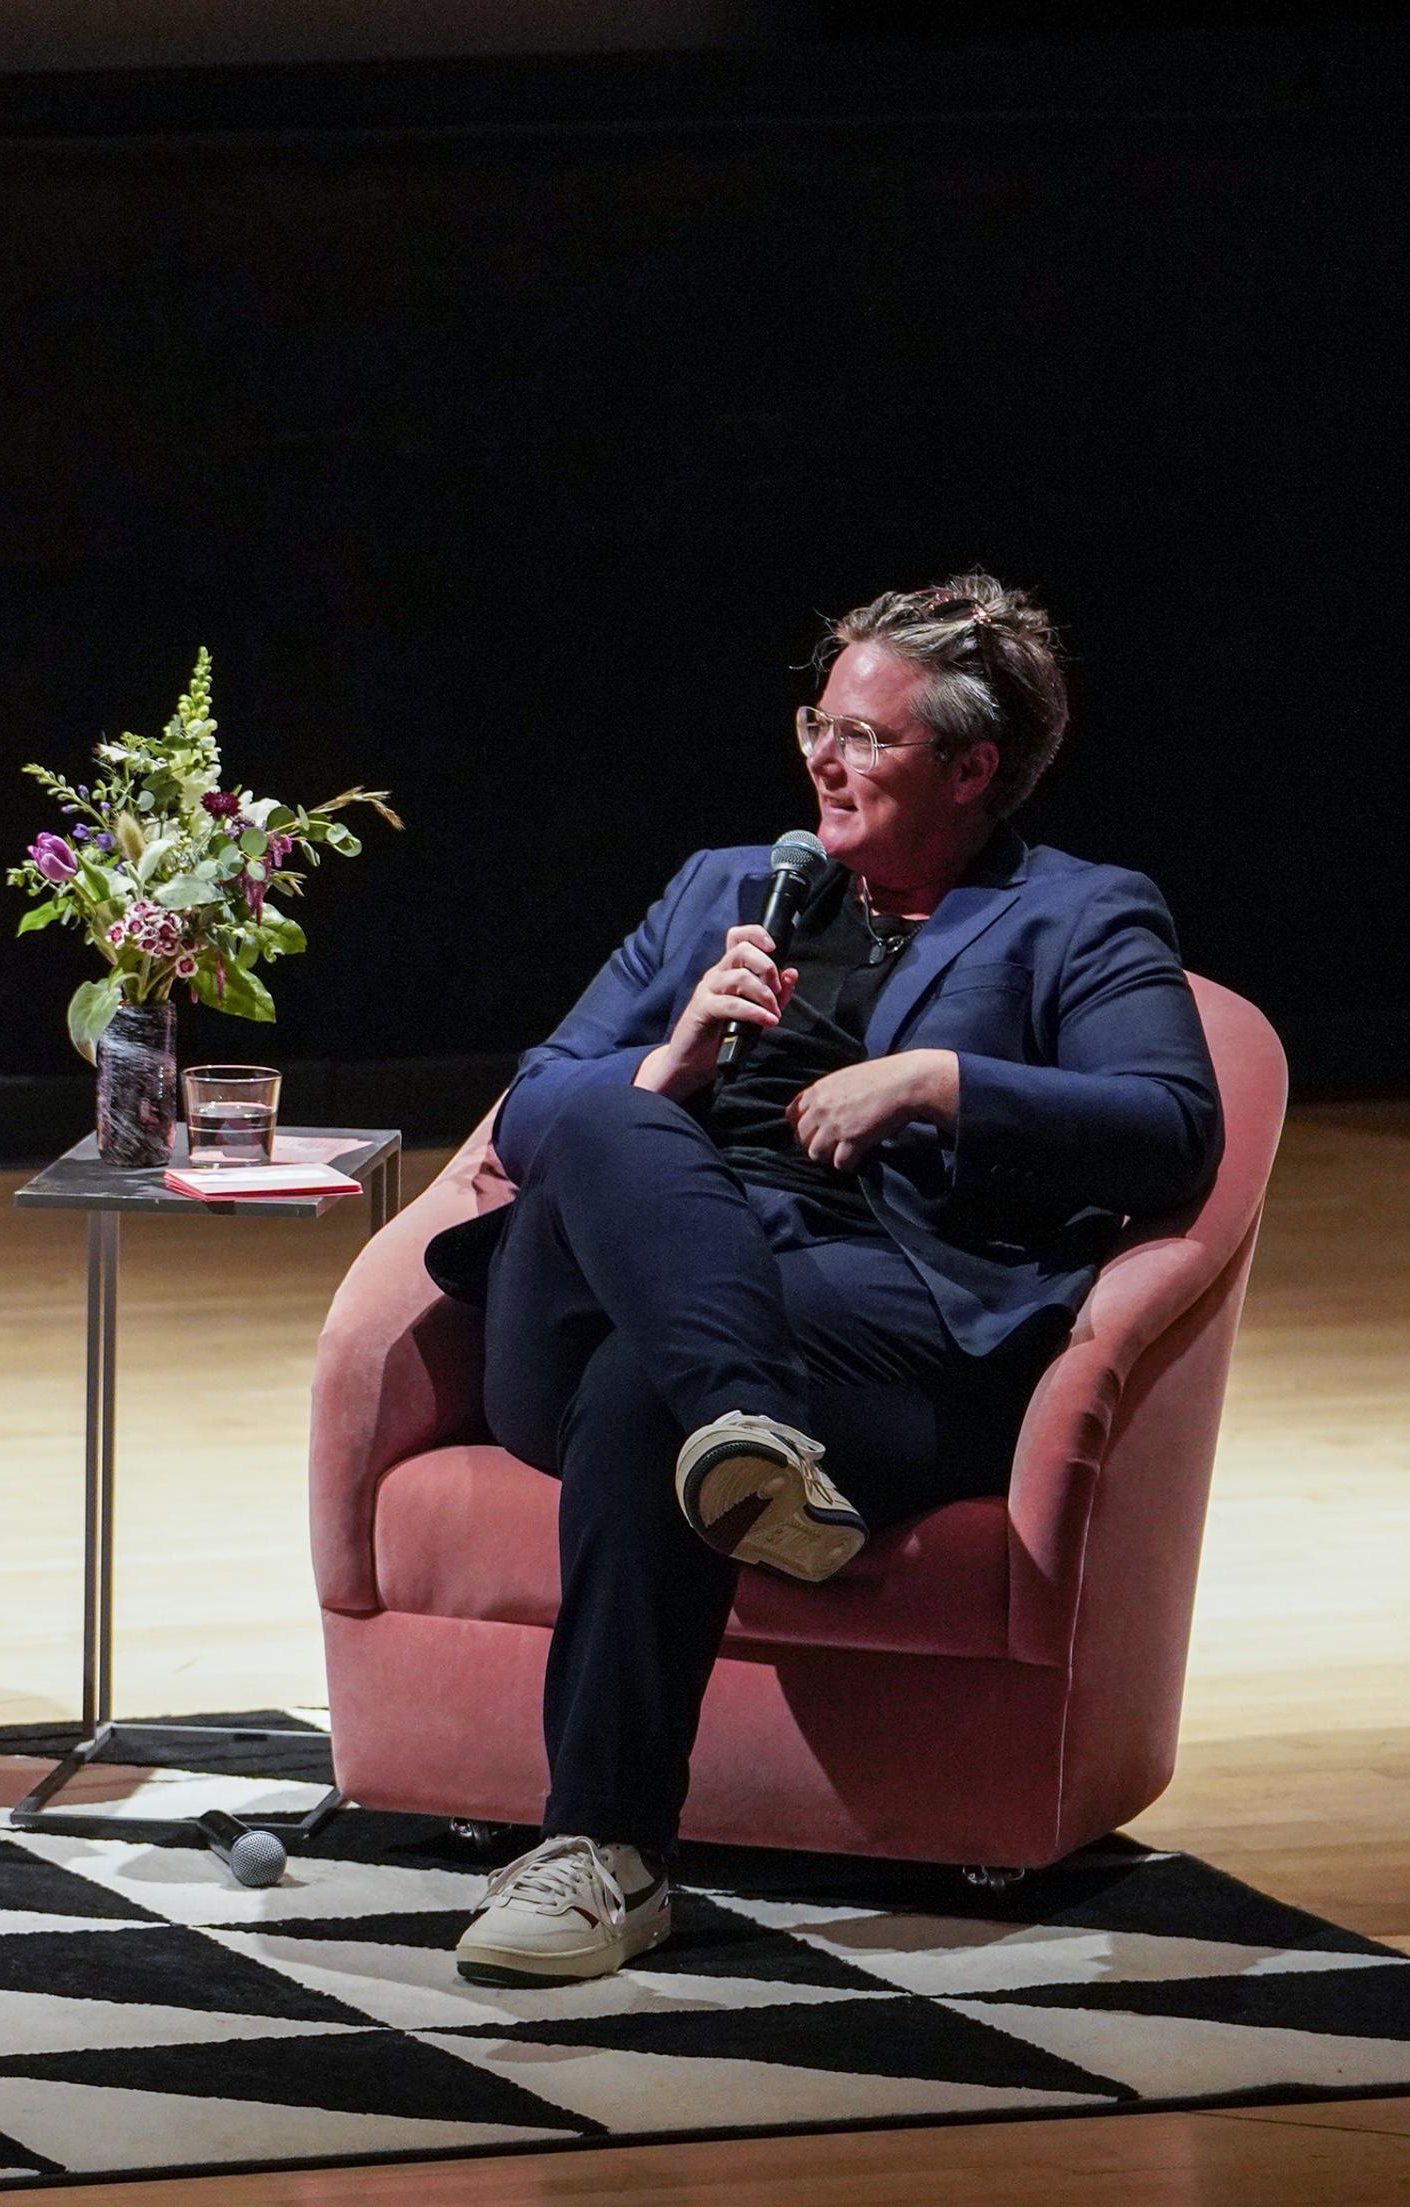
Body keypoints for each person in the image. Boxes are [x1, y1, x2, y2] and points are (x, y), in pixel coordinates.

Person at [429, 575, 1221, 1986]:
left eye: (866, 737)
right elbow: (533, 1106)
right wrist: (674, 1064)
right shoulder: (722, 887)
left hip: (881, 1348)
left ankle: (600, 1853)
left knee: (644, 1390)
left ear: (975, 769)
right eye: (818, 724)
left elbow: (1173, 1127)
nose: (822, 759)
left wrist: (941, 1081)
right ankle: (746, 1428)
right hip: (617, 1289)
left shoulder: (1079, 916)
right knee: (613, 1116)